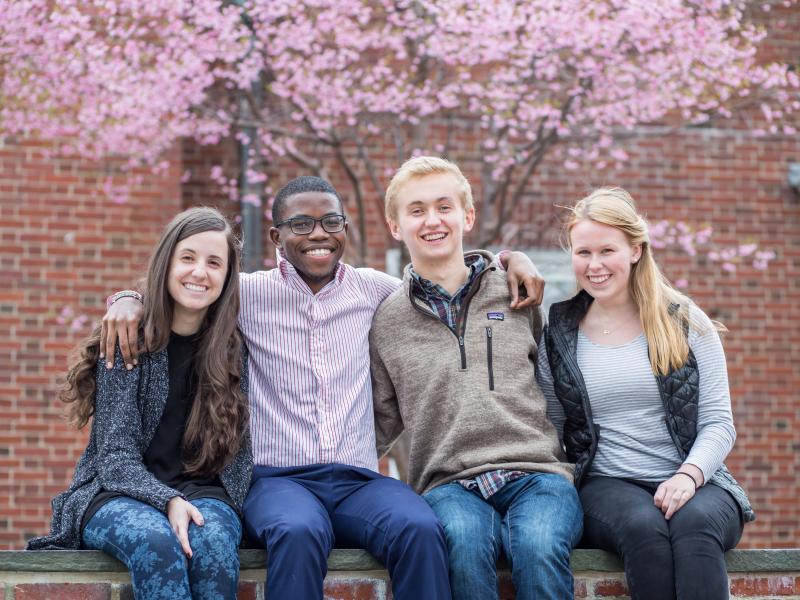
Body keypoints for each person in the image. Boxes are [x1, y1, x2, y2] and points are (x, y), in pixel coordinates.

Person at [99, 176, 545, 599]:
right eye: (301, 224)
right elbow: (189, 284)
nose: (319, 234)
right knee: (297, 532)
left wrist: (506, 260)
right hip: (277, 480)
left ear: (345, 230)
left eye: (331, 222)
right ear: (276, 237)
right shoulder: (245, 295)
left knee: (420, 528)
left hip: (358, 480)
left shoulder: (378, 292)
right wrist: (127, 299)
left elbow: (445, 280)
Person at [370, 156, 583, 600]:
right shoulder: (387, 320)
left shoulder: (516, 290)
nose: (433, 220)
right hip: (447, 484)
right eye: (417, 210)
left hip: (538, 473)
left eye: (444, 207)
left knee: (537, 545)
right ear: (395, 227)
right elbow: (377, 421)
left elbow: (555, 387)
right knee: (463, 549)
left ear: (467, 216)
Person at [537, 187, 753, 600]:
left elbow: (718, 424)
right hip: (606, 484)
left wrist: (688, 476)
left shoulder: (685, 320)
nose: (595, 265)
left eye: (607, 251)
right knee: (644, 529)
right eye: (583, 253)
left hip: (697, 478)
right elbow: (552, 427)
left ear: (636, 250)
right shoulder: (560, 334)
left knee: (695, 528)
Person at [27, 207, 253, 600]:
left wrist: (190, 502)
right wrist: (167, 501)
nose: (199, 272)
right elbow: (113, 456)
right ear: (166, 263)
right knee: (156, 542)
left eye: (214, 263)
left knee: (214, 544)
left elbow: (237, 454)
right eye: (188, 258)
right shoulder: (128, 339)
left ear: (227, 277)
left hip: (206, 492)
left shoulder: (233, 350)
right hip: (114, 494)